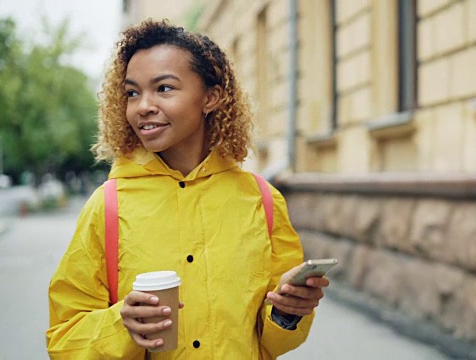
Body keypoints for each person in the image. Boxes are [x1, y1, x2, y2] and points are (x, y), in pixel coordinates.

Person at [46, 19, 328, 359]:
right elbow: (64, 340)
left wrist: (288, 312)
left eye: (163, 88)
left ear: (211, 97)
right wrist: (122, 326)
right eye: (132, 92)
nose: (143, 105)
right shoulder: (107, 206)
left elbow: (272, 341)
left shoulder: (262, 200)